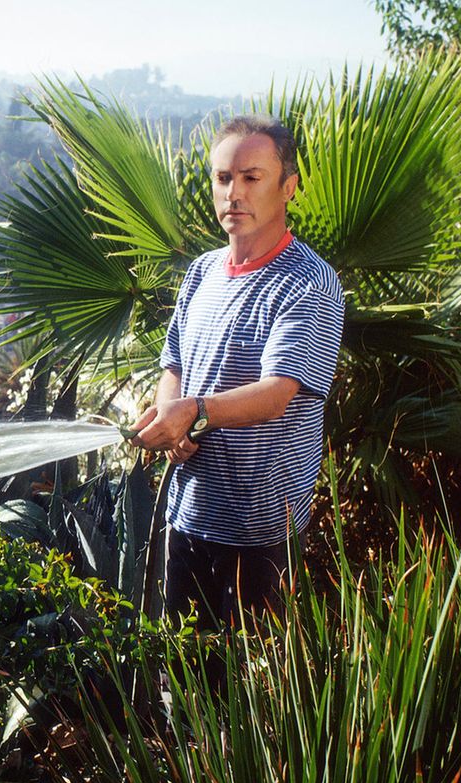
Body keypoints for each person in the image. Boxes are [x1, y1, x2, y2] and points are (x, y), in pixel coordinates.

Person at [128, 114, 344, 632]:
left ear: (288, 187)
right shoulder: (201, 271)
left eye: (252, 177)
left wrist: (194, 413)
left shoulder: (309, 281)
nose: (234, 194)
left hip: (260, 529)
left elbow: (277, 394)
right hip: (187, 512)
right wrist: (170, 416)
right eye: (224, 179)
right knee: (180, 680)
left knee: (247, 693)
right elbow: (174, 363)